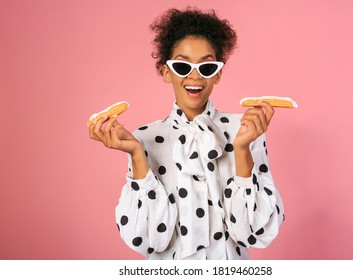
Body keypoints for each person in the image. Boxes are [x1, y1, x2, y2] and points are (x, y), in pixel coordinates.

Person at [89, 7, 284, 260]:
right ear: (167, 72)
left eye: (206, 67)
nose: (194, 76)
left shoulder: (245, 130)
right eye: (182, 66)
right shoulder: (144, 137)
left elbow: (253, 233)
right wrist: (137, 154)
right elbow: (148, 240)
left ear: (218, 74)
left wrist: (242, 149)